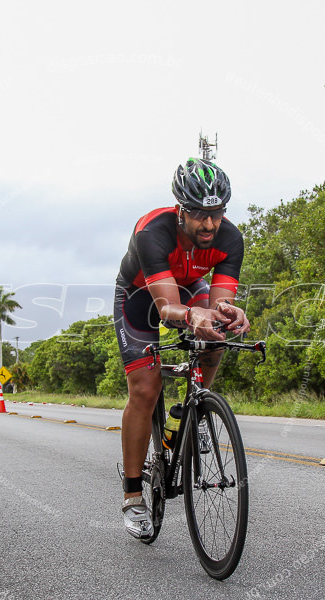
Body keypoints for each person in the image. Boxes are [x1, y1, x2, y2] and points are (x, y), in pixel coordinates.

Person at [113, 158, 250, 539]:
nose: (208, 224)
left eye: (216, 213)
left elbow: (220, 302)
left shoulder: (230, 239)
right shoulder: (152, 232)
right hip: (142, 296)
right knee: (145, 388)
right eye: (198, 215)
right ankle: (132, 495)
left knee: (217, 332)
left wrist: (229, 312)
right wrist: (192, 317)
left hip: (189, 289)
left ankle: (196, 406)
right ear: (180, 209)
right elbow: (167, 309)